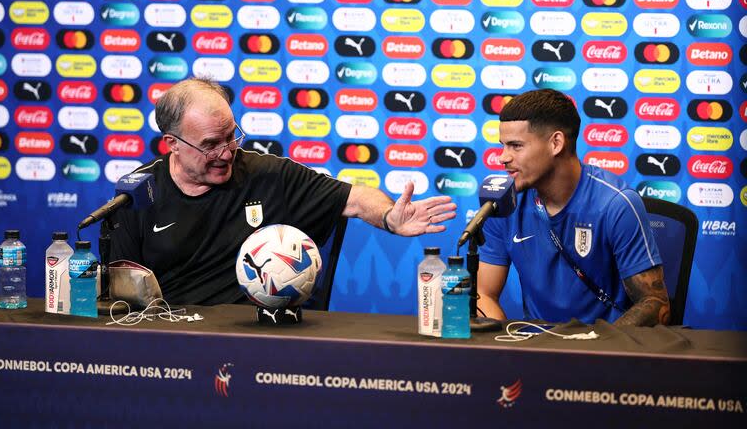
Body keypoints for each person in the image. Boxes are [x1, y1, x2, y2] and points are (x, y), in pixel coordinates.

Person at [109, 77, 456, 305]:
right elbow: (121, 295)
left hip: (260, 341)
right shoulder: (137, 194)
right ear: (172, 143)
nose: (227, 152)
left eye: (231, 136)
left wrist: (388, 216)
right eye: (211, 145)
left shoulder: (269, 175)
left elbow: (354, 198)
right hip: (175, 342)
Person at [477, 89, 670, 326]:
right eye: (503, 146)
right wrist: (504, 348)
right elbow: (484, 294)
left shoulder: (616, 204)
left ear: (556, 143)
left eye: (515, 146)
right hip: (536, 350)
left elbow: (655, 302)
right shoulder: (503, 202)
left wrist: (594, 350)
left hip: (604, 348)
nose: (502, 157)